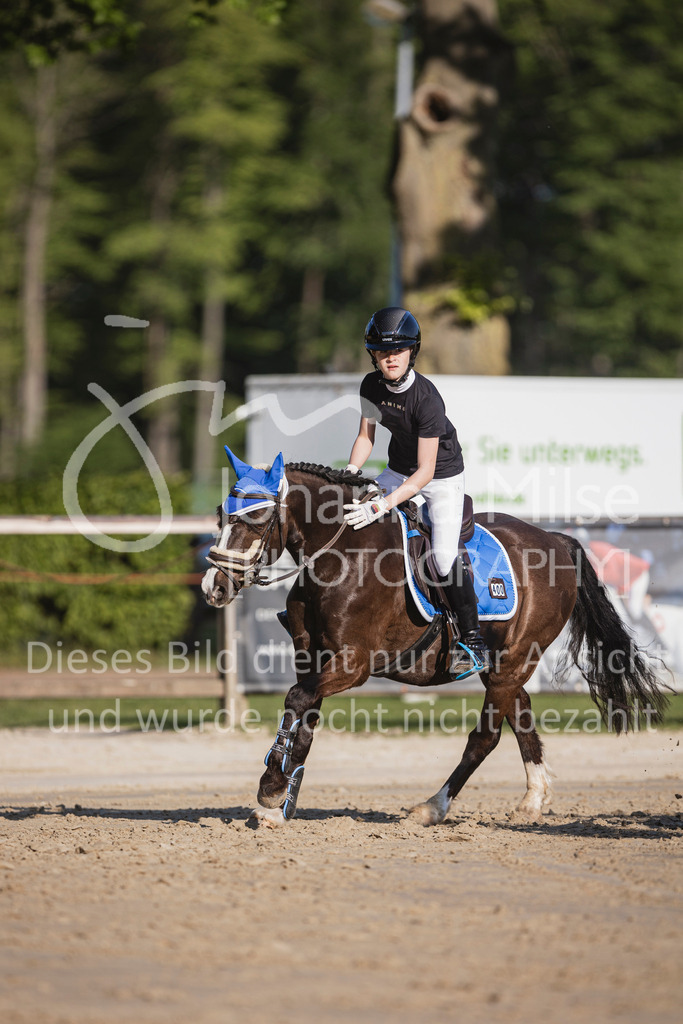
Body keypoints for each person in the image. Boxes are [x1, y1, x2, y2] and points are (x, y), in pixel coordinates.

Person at [343, 306, 489, 675]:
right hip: (397, 469)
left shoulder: (427, 399)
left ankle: (473, 641)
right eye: (381, 351)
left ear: (412, 351)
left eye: (398, 350)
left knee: (441, 558)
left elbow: (424, 473)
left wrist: (381, 506)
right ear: (373, 354)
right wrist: (351, 473)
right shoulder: (370, 385)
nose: (390, 357)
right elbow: (365, 437)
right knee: (348, 514)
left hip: (440, 477)